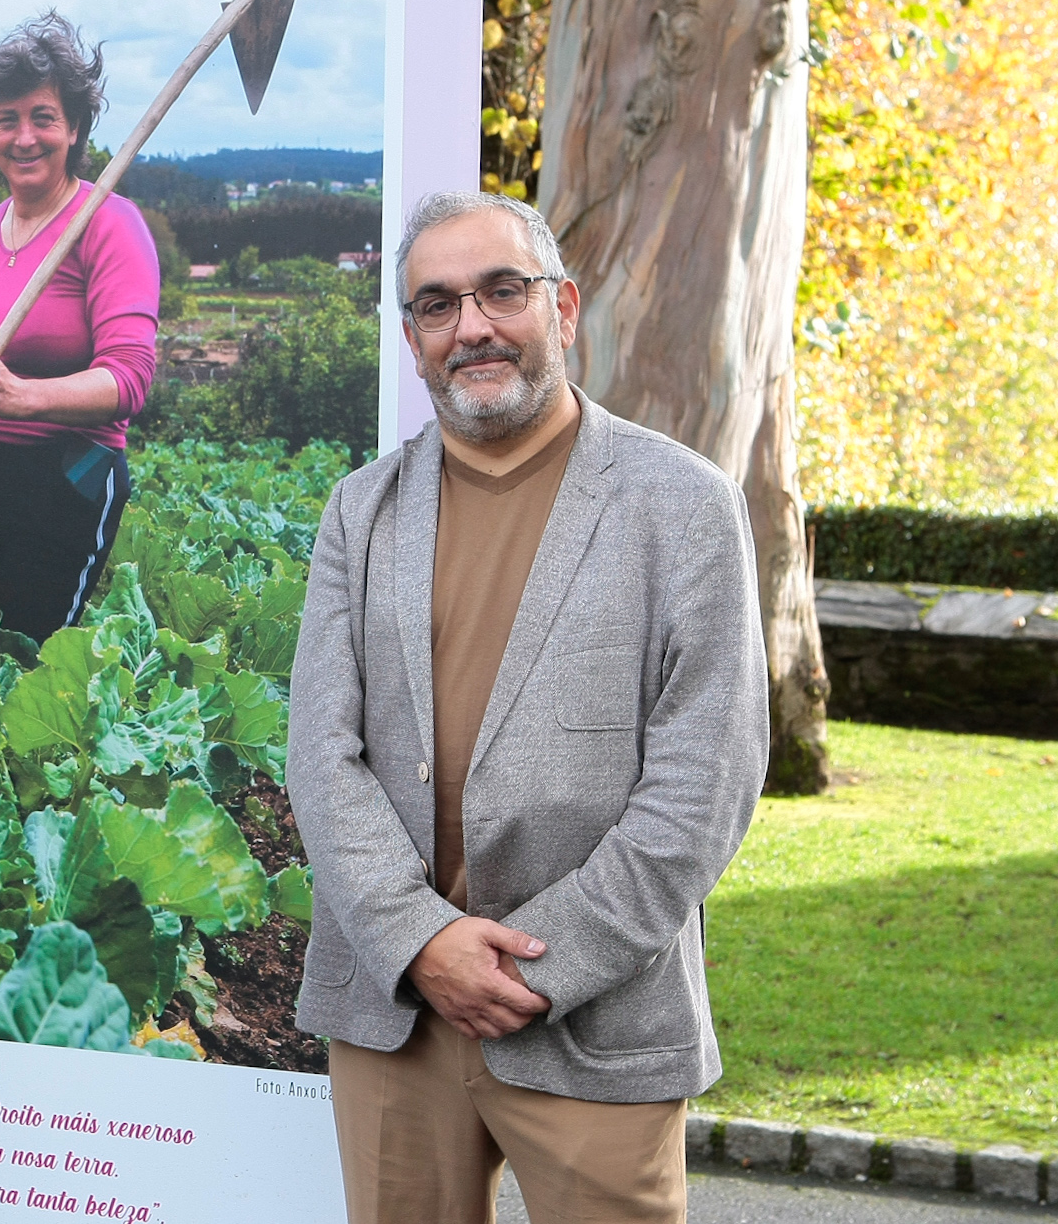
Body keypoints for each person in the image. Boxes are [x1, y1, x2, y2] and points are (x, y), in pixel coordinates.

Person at [286, 192, 768, 1224]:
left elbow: (705, 783)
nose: (472, 326)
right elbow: (320, 756)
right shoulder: (359, 511)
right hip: (397, 1014)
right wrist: (421, 942)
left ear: (563, 307)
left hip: (593, 1019)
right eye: (437, 304)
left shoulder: (682, 504)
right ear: (411, 338)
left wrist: (536, 966)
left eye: (502, 291)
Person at [0, 11, 161, 644]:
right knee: (2, 645)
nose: (24, 138)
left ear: (74, 128)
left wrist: (22, 396)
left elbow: (129, 379)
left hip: (70, 477)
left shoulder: (110, 224)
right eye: (8, 120)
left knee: (39, 655)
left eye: (43, 118)